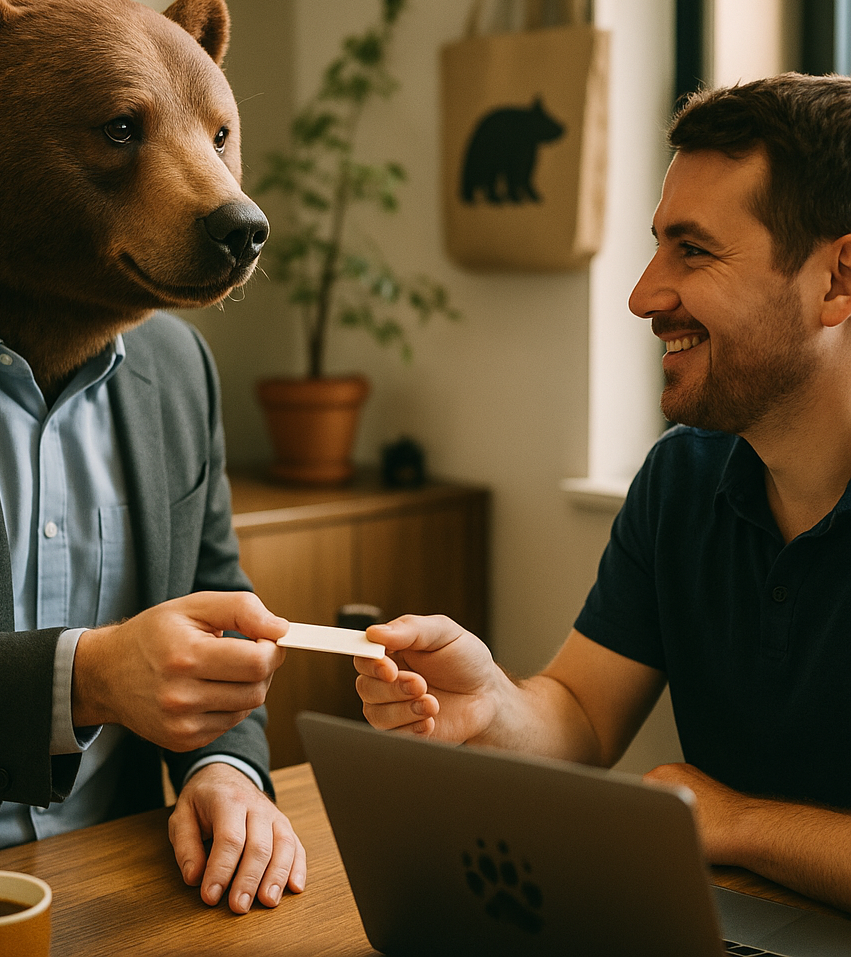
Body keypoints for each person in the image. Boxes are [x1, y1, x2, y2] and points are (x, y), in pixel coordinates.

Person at [355, 73, 851, 913]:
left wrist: (739, 823)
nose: (642, 294)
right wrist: (488, 704)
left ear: (837, 280)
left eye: (692, 250)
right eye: (659, 245)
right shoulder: (682, 479)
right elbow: (582, 714)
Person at [0, 225, 306, 913]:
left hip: (132, 885)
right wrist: (87, 679)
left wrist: (223, 768)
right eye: (118, 131)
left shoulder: (178, 362)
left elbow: (214, 595)